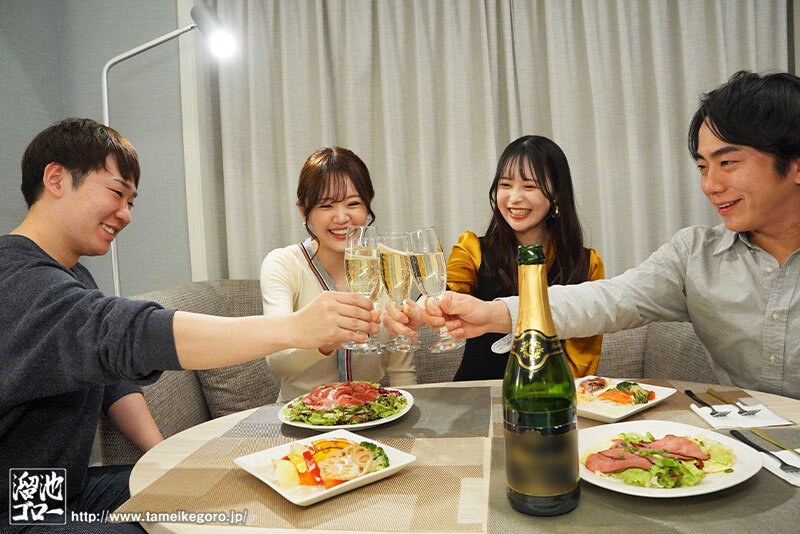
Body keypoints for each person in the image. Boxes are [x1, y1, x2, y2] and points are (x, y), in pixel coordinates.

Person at [0, 119, 380, 532]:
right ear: (56, 179)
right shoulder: (15, 278)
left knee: (234, 495)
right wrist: (296, 329)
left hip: (53, 490)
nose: (125, 214)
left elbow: (111, 378)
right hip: (14, 507)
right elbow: (134, 334)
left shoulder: (72, 275)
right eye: (116, 193)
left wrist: (162, 456)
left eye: (131, 201)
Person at [388, 70, 800, 400]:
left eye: (727, 163)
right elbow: (605, 300)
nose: (709, 185)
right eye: (702, 167)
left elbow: (584, 353)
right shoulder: (694, 254)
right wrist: (489, 313)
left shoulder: (585, 260)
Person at [260, 146, 416, 403]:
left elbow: (403, 371)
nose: (342, 218)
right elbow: (277, 363)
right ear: (303, 211)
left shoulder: (392, 263)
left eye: (353, 203)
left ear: (367, 206)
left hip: (370, 415)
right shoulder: (284, 264)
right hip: (300, 415)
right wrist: (324, 342)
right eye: (326, 205)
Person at [446, 135, 604, 380]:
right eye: (505, 185)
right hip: (476, 395)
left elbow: (582, 362)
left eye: (529, 186)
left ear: (557, 193)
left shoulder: (585, 264)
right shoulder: (472, 249)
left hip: (548, 396)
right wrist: (426, 306)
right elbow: (446, 294)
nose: (514, 198)